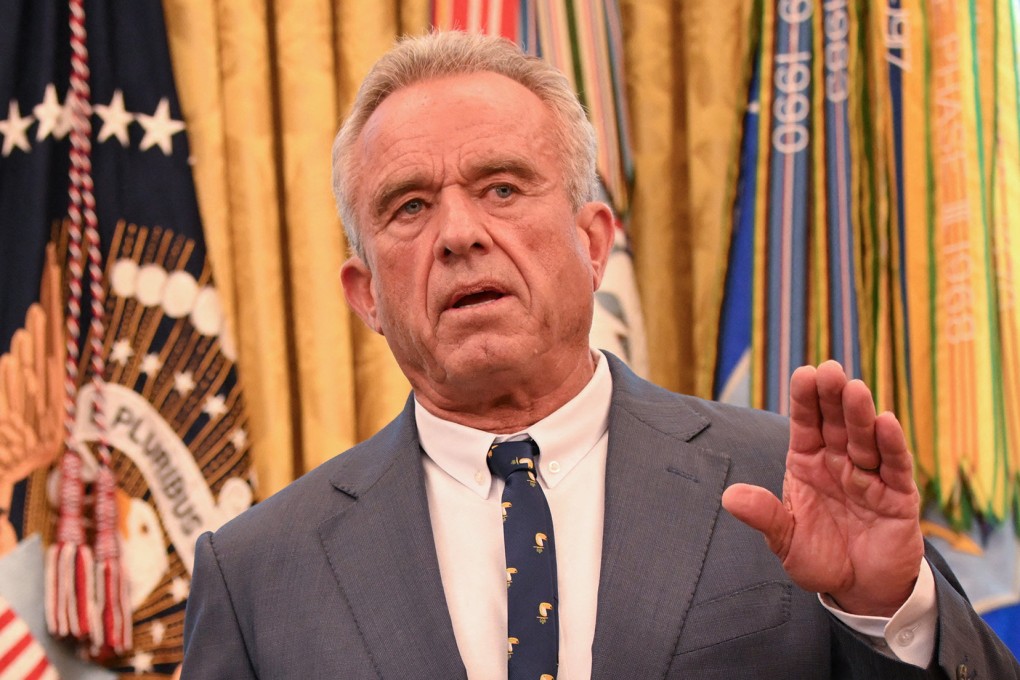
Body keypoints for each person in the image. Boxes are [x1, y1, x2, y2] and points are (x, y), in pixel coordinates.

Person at [181, 30, 1019, 679]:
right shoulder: (260, 573)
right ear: (364, 292)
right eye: (408, 207)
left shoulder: (785, 480)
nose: (461, 234)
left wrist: (889, 609)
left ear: (593, 244)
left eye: (502, 187)